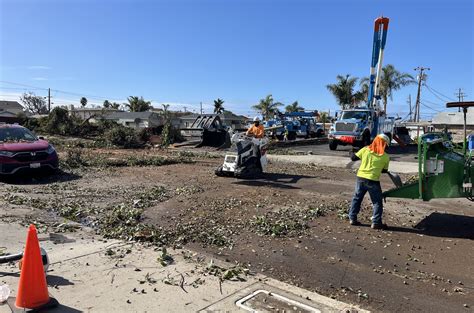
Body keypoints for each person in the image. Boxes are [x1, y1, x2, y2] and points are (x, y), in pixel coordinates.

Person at [348, 134, 390, 229]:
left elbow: (353, 158)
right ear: (385, 145)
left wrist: (350, 151)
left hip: (361, 178)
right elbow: (384, 170)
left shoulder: (365, 149)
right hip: (373, 180)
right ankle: (376, 222)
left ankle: (352, 218)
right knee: (377, 202)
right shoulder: (386, 157)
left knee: (357, 198)